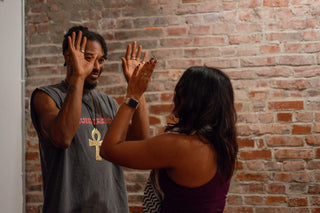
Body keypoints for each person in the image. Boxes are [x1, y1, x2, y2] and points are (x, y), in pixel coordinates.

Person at [30, 25, 150, 213]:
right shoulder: (47, 97)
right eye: (88, 58)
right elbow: (63, 137)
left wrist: (137, 89)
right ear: (69, 57)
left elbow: (139, 141)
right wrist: (78, 75)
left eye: (101, 60)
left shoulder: (107, 103)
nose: (96, 67)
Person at [100, 65, 239, 212]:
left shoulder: (179, 146)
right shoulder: (225, 144)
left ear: (188, 99)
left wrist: (133, 95)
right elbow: (143, 141)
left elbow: (109, 149)